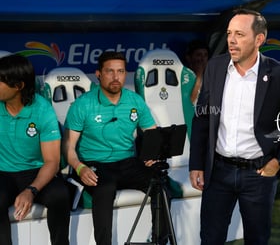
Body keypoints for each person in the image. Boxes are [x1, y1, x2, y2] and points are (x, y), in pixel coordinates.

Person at [189, 8, 280, 245]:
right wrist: (196, 163)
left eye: (239, 34)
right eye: (228, 34)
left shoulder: (279, 74)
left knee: (257, 239)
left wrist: (279, 161)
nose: (231, 41)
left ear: (259, 39)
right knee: (210, 238)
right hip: (218, 173)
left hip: (258, 175)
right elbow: (202, 118)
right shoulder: (215, 67)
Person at [63, 51, 168, 245]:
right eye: (110, 71)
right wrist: (80, 167)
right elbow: (68, 146)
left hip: (128, 162)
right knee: (105, 189)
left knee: (161, 183)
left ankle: (159, 241)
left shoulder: (134, 101)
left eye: (120, 71)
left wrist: (153, 154)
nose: (116, 77)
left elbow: (153, 134)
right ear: (98, 74)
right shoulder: (83, 104)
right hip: (95, 164)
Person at [0, 54, 70, 245]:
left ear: (18, 86)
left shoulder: (42, 109)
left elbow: (52, 161)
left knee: (60, 195)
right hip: (3, 173)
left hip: (35, 172)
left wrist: (31, 190)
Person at [185, 39, 210, 104]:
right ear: (189, 58)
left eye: (205, 55)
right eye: (198, 55)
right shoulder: (182, 75)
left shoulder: (211, 75)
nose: (202, 59)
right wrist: (199, 75)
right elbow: (190, 102)